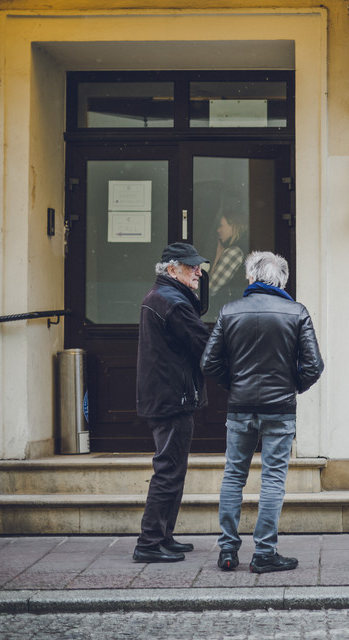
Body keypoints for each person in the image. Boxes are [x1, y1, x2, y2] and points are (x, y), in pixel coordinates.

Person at [202, 251, 324, 574]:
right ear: (281, 279)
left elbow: (208, 362)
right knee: (273, 479)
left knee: (233, 476)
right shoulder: (296, 312)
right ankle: (265, 553)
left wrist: (236, 383)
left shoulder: (230, 311)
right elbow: (314, 365)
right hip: (280, 410)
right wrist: (290, 386)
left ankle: (228, 551)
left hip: (240, 407)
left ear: (252, 278)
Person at [134, 242, 211, 563]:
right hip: (171, 399)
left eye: (199, 266)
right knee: (168, 470)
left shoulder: (164, 297)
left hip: (165, 396)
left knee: (173, 469)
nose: (198, 271)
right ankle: (149, 543)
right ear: (171, 270)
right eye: (191, 266)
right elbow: (204, 344)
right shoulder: (172, 303)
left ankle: (164, 536)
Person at [210, 211, 248, 307]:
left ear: (233, 226)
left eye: (221, 226)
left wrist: (218, 254)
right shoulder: (242, 248)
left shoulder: (234, 252)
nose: (218, 230)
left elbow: (210, 289)